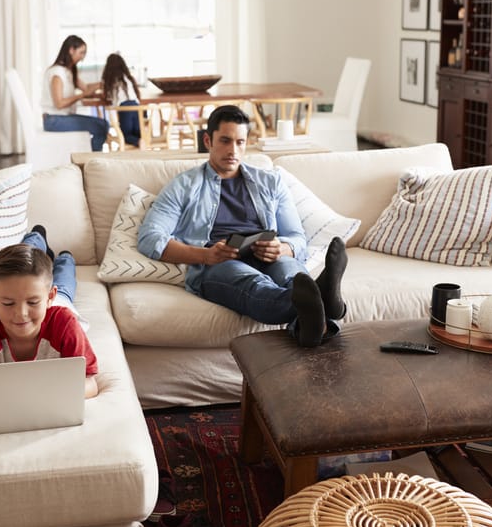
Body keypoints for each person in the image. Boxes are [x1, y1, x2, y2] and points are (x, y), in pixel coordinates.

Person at [137, 105, 347, 347]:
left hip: (268, 257)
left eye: (240, 142)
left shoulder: (270, 182)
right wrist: (206, 255)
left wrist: (282, 248)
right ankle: (328, 300)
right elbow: (150, 238)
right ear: (208, 140)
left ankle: (312, 326)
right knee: (254, 284)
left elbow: (297, 237)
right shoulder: (184, 185)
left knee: (294, 275)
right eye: (225, 141)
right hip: (218, 265)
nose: (233, 150)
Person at [0, 225, 99, 399]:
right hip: (29, 295)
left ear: (49, 297)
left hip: (58, 303)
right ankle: (38, 236)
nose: (21, 313)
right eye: (8, 303)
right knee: (27, 253)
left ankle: (66, 257)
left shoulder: (65, 321)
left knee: (65, 285)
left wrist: (44, 395)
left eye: (32, 302)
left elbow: (90, 383)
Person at [41, 35, 109, 152]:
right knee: (101, 125)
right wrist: (81, 95)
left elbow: (86, 87)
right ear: (71, 50)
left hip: (62, 117)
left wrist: (102, 84)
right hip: (54, 120)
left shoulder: (68, 71)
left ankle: (92, 158)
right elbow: (59, 104)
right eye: (81, 53)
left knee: (102, 124)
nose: (82, 58)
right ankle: (94, 160)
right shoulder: (57, 73)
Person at [100, 52, 143, 146]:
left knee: (126, 136)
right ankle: (141, 141)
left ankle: (139, 142)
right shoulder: (129, 78)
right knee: (138, 134)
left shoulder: (110, 80)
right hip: (137, 108)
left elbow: (108, 98)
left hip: (125, 108)